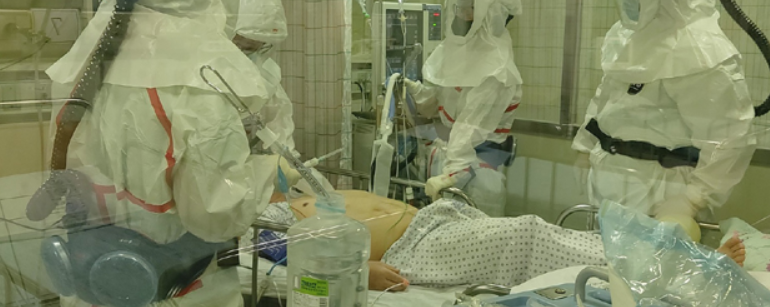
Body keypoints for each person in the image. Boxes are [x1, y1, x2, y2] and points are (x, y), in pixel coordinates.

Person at [45, 0, 298, 307]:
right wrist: (265, 169)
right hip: (175, 290)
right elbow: (216, 217)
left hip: (92, 282)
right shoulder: (198, 91)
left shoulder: (87, 65)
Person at [571, 0, 755, 239]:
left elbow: (729, 139)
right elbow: (605, 100)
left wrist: (691, 200)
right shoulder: (629, 38)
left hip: (661, 197)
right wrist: (584, 146)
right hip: (609, 187)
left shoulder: (703, 52)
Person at [262, 190, 747, 292]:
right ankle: (690, 271)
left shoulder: (292, 185)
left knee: (550, 236)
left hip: (434, 219)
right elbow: (292, 260)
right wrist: (357, 272)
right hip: (412, 248)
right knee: (527, 235)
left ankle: (683, 262)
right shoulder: (263, 225)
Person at [405, 0, 523, 216]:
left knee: (472, 236)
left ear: (492, 12)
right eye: (460, 5)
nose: (462, 13)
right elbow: (439, 104)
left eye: (471, 7)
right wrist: (416, 91)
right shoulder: (460, 55)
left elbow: (469, 128)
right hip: (449, 166)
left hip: (474, 175)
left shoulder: (496, 71)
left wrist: (450, 176)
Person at [232, 0, 295, 154]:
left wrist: (286, 162)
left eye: (254, 47)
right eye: (241, 44)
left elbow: (280, 133)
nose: (248, 54)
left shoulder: (266, 75)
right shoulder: (199, 74)